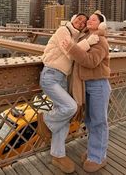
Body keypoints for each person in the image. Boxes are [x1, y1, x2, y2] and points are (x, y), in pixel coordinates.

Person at [37, 13, 99, 173]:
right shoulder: (63, 31)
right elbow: (71, 52)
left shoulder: (77, 38)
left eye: (84, 22)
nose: (81, 22)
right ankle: (46, 119)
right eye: (79, 19)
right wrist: (89, 42)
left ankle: (58, 155)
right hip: (50, 76)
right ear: (72, 20)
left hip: (63, 79)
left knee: (64, 119)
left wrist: (85, 42)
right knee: (71, 107)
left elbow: (78, 53)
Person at [62, 10, 111, 173]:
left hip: (98, 85)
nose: (90, 21)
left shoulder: (101, 40)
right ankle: (93, 151)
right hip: (86, 84)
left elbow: (91, 61)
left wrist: (72, 49)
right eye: (89, 19)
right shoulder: (86, 38)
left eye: (94, 19)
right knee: (90, 121)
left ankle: (98, 157)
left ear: (101, 24)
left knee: (98, 122)